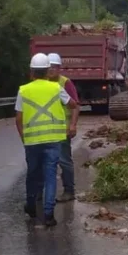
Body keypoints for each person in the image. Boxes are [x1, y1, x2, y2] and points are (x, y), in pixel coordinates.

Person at [16, 54, 71, 227]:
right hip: (53, 140)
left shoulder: (23, 90)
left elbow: (18, 118)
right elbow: (72, 104)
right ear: (48, 71)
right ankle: (48, 215)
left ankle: (31, 207)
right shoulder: (56, 88)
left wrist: (24, 138)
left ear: (31, 71)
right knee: (50, 176)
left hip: (32, 141)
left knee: (32, 174)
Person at [46, 53, 80, 203]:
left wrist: (72, 125)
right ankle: (44, 193)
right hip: (46, 131)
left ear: (59, 68)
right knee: (46, 162)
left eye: (54, 67)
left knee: (64, 161)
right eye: (49, 67)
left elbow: (75, 106)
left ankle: (69, 191)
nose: (52, 70)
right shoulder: (42, 83)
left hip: (62, 130)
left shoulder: (65, 83)